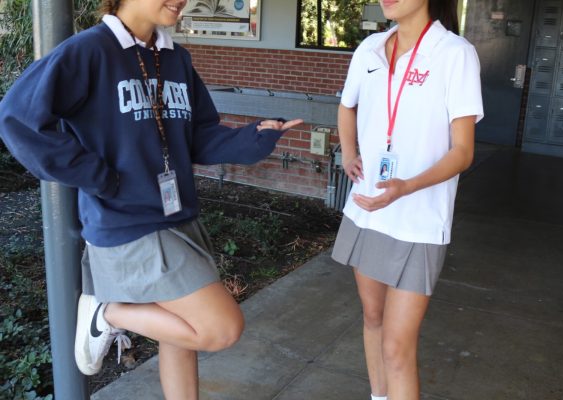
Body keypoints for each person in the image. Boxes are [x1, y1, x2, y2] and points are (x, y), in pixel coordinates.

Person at [0, 0, 301, 398]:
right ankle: (106, 313)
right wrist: (100, 178)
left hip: (177, 216)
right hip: (127, 223)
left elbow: (199, 135)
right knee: (220, 329)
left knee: (182, 340)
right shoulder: (91, 50)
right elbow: (17, 119)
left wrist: (254, 137)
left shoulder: (174, 58)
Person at [331, 1, 483, 399]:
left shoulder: (455, 54)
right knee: (372, 317)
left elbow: (463, 151)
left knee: (398, 346)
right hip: (366, 211)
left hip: (419, 219)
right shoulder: (370, 49)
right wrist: (349, 155)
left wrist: (407, 186)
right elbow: (347, 108)